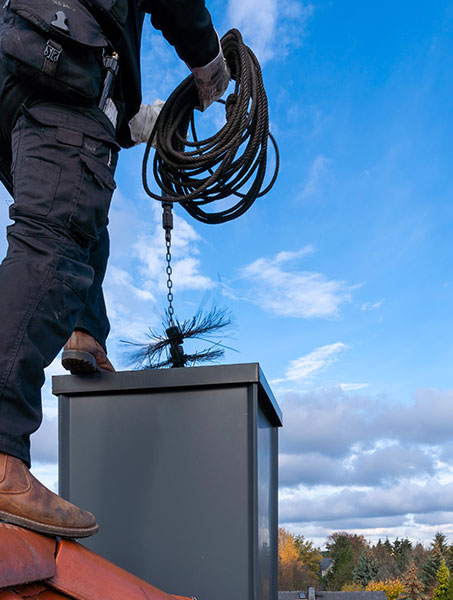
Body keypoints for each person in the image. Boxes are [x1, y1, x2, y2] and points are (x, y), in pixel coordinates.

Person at [0, 0, 230, 538]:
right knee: (53, 242)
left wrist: (135, 121)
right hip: (62, 58)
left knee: (80, 220)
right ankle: (3, 455)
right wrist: (208, 60)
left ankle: (86, 335)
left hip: (31, 66)